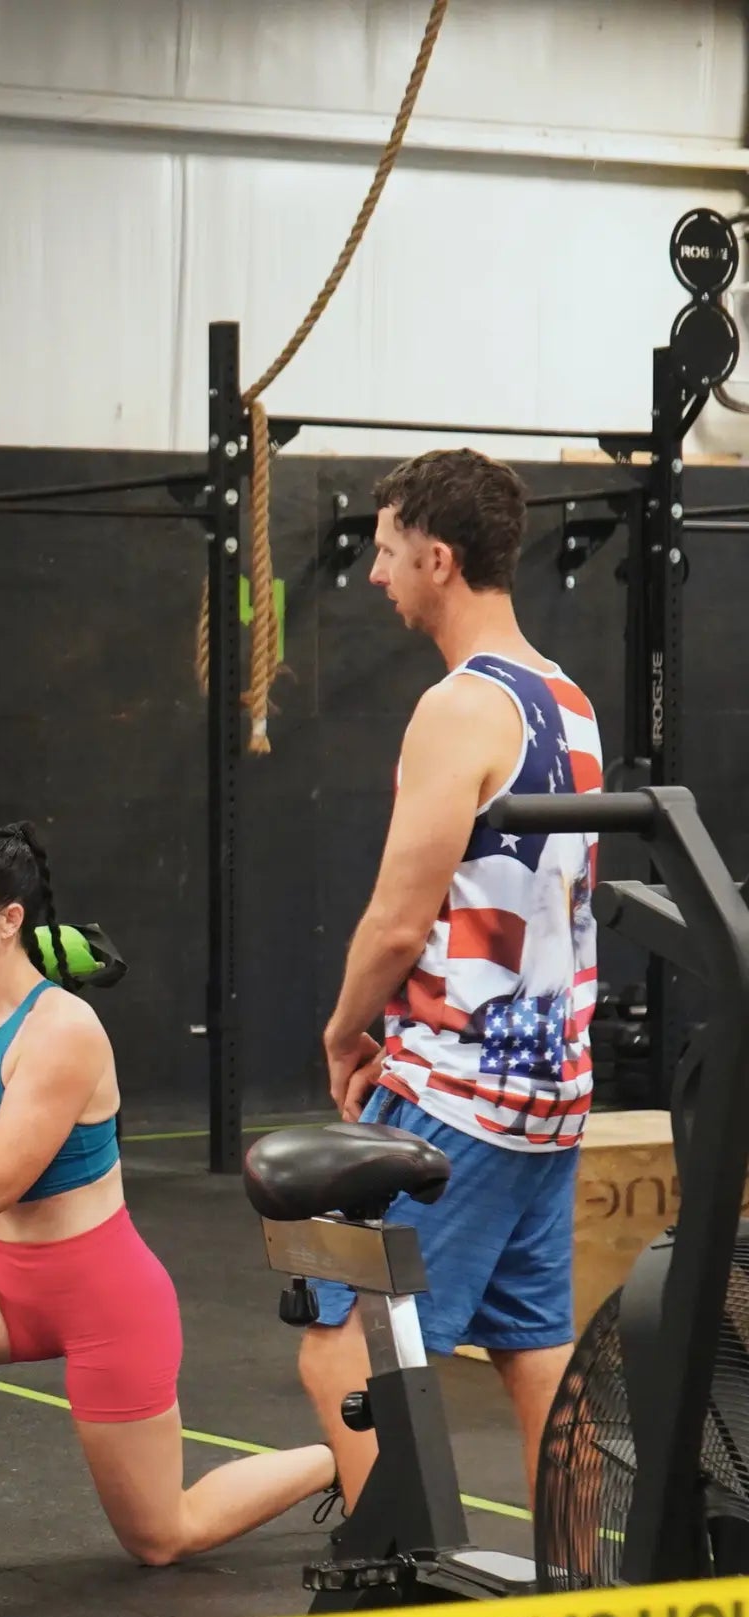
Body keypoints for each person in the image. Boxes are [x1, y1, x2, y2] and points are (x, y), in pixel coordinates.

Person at [0, 822, 335, 1593]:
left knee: (162, 1538)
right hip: (7, 1278)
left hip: (104, 1296)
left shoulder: (63, 1029)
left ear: (9, 920)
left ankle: (342, 1457)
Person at [302, 448, 601, 1511]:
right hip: (546, 1095)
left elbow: (395, 919)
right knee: (536, 1360)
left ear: (437, 556)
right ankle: (581, 1610)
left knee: (340, 1345)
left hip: (456, 1101)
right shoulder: (565, 700)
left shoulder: (457, 707)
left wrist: (344, 1032)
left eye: (385, 552)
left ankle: (398, 1605)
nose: (374, 574)